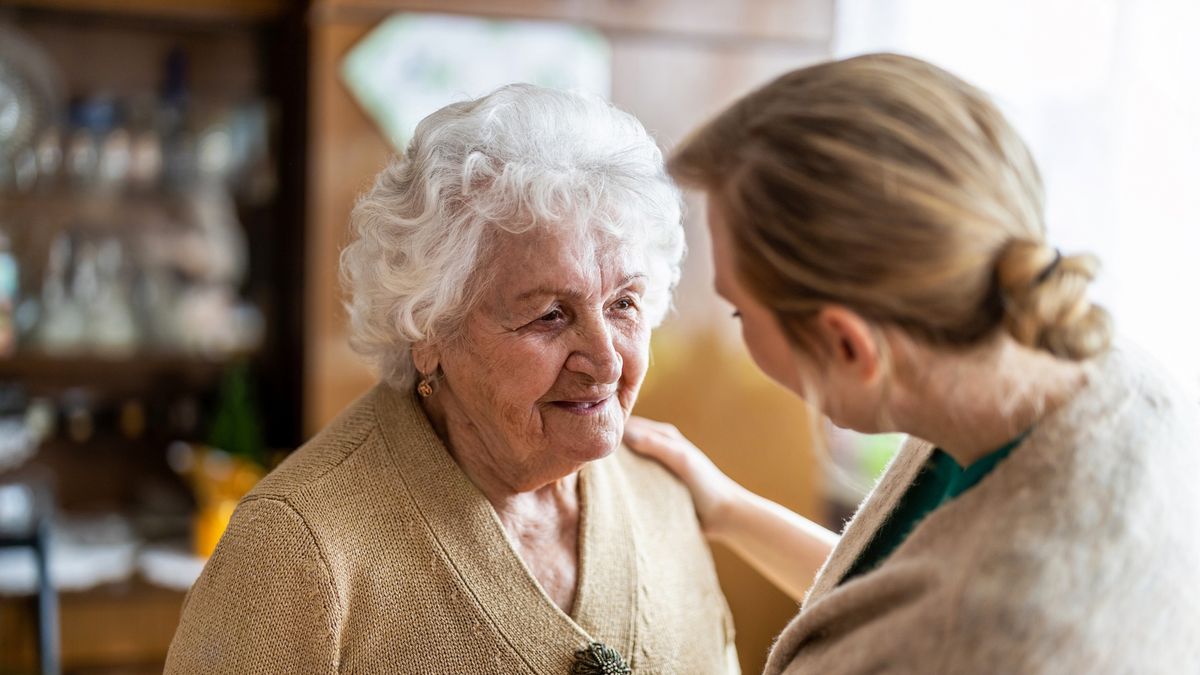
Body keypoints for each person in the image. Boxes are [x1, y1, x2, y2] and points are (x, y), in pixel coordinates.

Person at [624, 53, 1200, 673]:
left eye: (740, 313)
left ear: (848, 346)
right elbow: (893, 600)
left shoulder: (1011, 634)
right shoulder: (1097, 376)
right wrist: (729, 510)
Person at [165, 84, 738, 674]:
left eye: (623, 304)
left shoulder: (665, 499)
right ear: (429, 331)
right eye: (549, 315)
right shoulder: (295, 550)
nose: (607, 361)